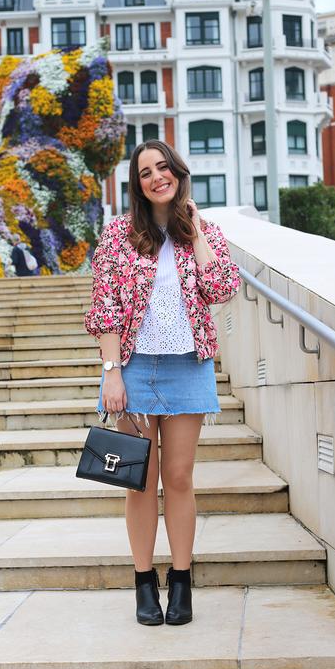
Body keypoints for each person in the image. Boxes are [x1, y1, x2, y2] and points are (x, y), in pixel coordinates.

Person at [84, 140, 241, 626]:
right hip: (132, 364)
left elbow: (223, 289)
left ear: (177, 172)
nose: (156, 177)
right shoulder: (118, 235)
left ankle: (181, 581)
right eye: (146, 172)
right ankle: (143, 583)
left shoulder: (201, 229)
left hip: (187, 365)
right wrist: (112, 372)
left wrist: (195, 235)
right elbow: (105, 304)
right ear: (137, 184)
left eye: (163, 167)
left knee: (178, 477)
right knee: (139, 481)